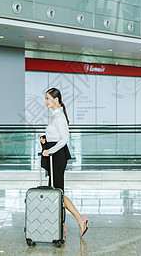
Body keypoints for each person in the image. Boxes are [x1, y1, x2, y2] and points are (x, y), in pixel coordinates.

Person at [39, 87, 91, 238]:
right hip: (54, 156)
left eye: (48, 98)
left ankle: (80, 219)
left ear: (56, 100)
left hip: (58, 157)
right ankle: (60, 225)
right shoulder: (55, 115)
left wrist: (50, 150)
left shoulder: (59, 117)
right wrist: (45, 141)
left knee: (58, 192)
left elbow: (65, 139)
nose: (46, 102)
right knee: (56, 191)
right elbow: (56, 136)